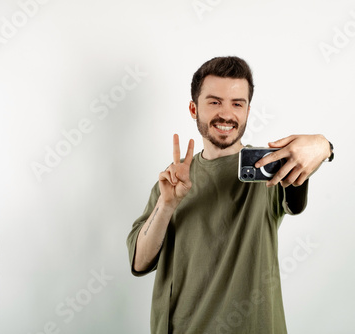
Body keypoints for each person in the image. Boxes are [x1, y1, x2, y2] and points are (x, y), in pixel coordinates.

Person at [126, 56, 333, 334]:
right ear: (193, 108)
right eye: (214, 102)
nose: (226, 114)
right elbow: (139, 263)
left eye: (237, 103)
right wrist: (166, 205)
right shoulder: (173, 181)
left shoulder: (270, 169)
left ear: (248, 111)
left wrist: (324, 145)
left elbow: (306, 163)